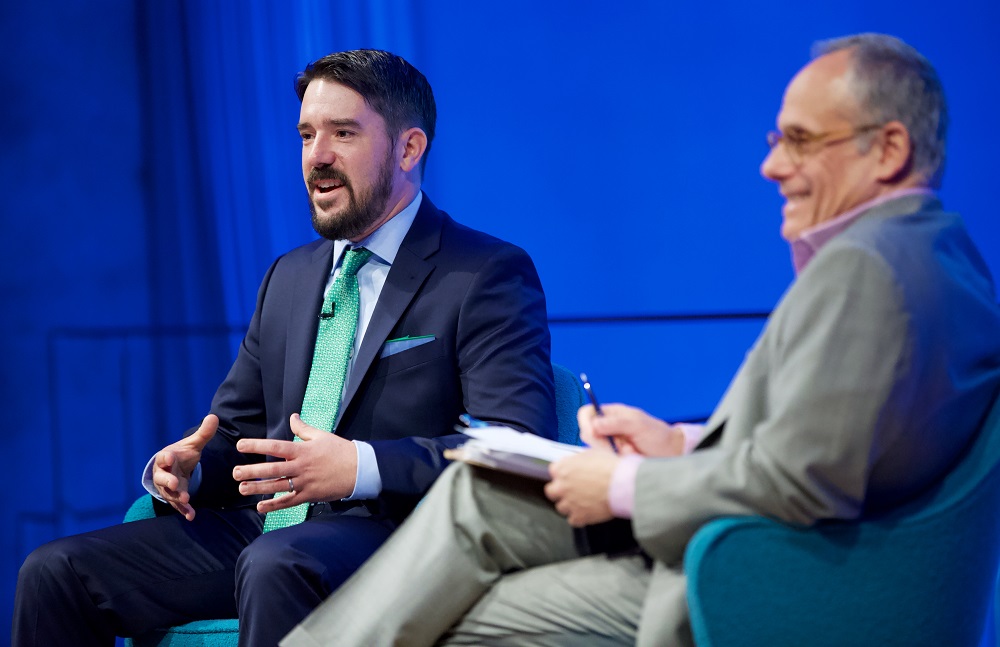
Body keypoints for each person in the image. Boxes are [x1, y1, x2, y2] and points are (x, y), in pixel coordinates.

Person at [280, 33, 1000, 647]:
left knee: (446, 609)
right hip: (755, 539)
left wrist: (622, 483)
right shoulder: (933, 252)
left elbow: (801, 481)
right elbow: (832, 439)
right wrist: (680, 443)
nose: (772, 165)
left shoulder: (870, 269)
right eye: (776, 140)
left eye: (801, 142)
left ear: (890, 150)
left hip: (759, 574)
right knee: (480, 492)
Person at [12, 49, 556, 647]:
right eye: (306, 135)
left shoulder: (483, 272)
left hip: (401, 533)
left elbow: (516, 445)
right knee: (54, 572)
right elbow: (238, 434)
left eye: (343, 133)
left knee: (278, 563)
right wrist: (192, 469)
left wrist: (360, 468)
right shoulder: (289, 276)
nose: (316, 157)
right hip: (269, 529)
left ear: (408, 149)